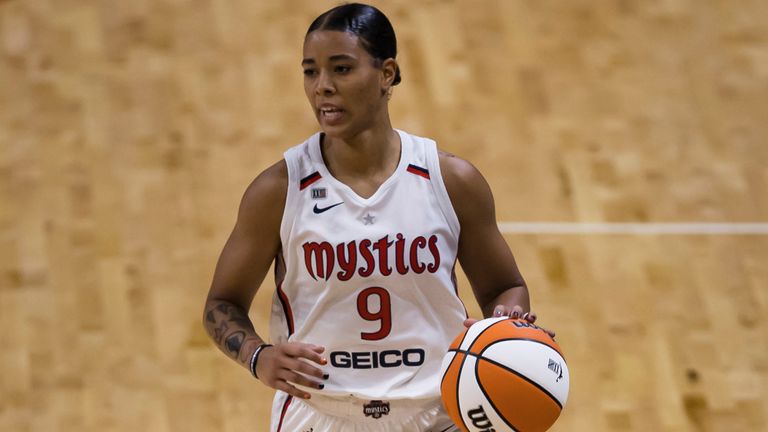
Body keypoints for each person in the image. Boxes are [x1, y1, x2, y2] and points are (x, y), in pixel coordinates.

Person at [203, 3, 550, 431]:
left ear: (387, 73)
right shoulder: (278, 190)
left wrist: (507, 326)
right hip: (322, 412)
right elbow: (221, 303)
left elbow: (505, 286)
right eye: (310, 71)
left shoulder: (451, 180)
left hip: (438, 411)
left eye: (341, 69)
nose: (322, 87)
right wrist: (258, 356)